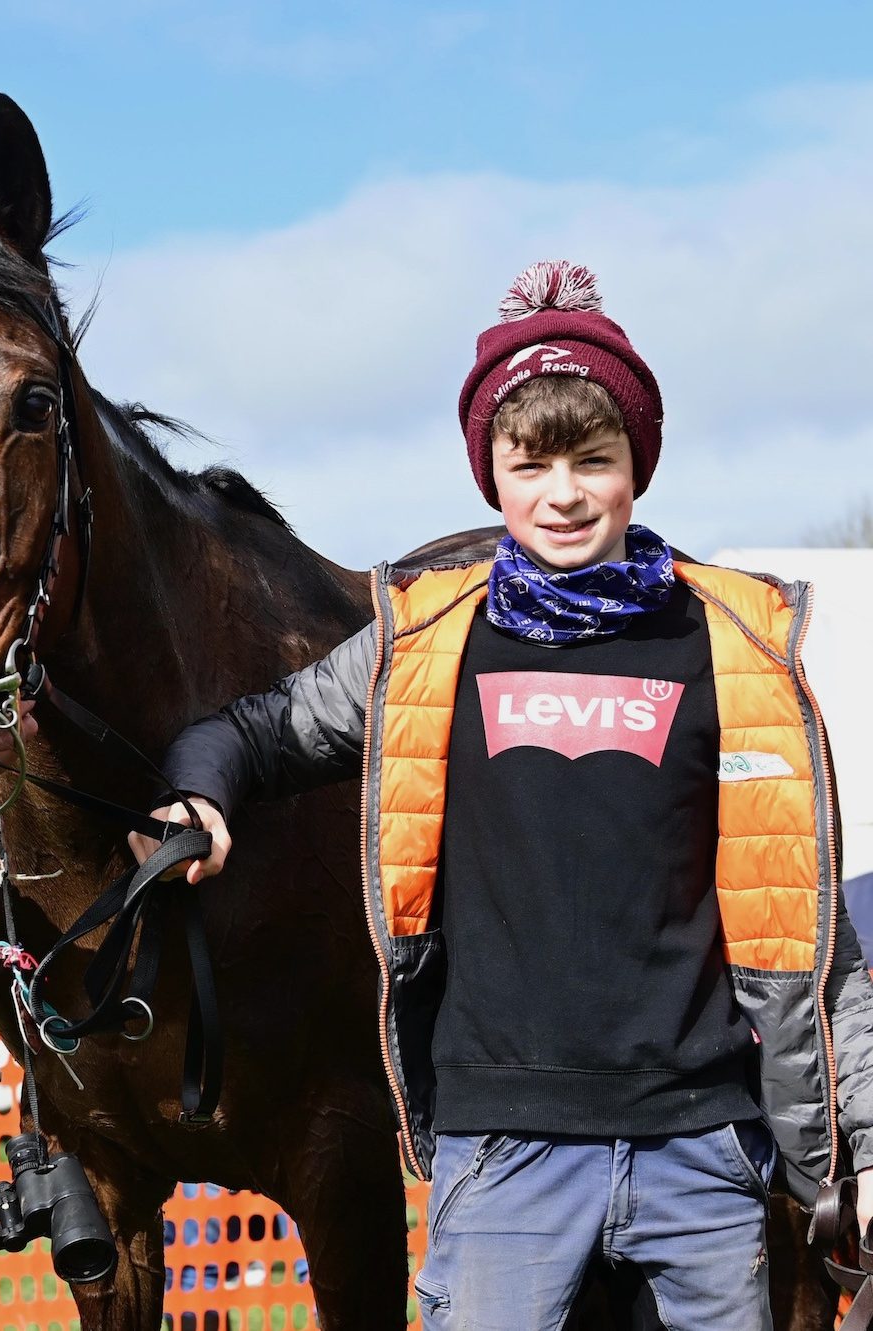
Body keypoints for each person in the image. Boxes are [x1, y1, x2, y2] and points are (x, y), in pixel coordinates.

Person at [132, 261, 873, 1329]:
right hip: (504, 1158)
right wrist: (201, 793)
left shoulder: (735, 648)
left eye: (594, 458)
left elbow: (808, 922)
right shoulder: (426, 646)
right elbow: (248, 732)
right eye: (531, 463)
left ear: (637, 466)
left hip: (704, 1157)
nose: (563, 493)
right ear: (492, 471)